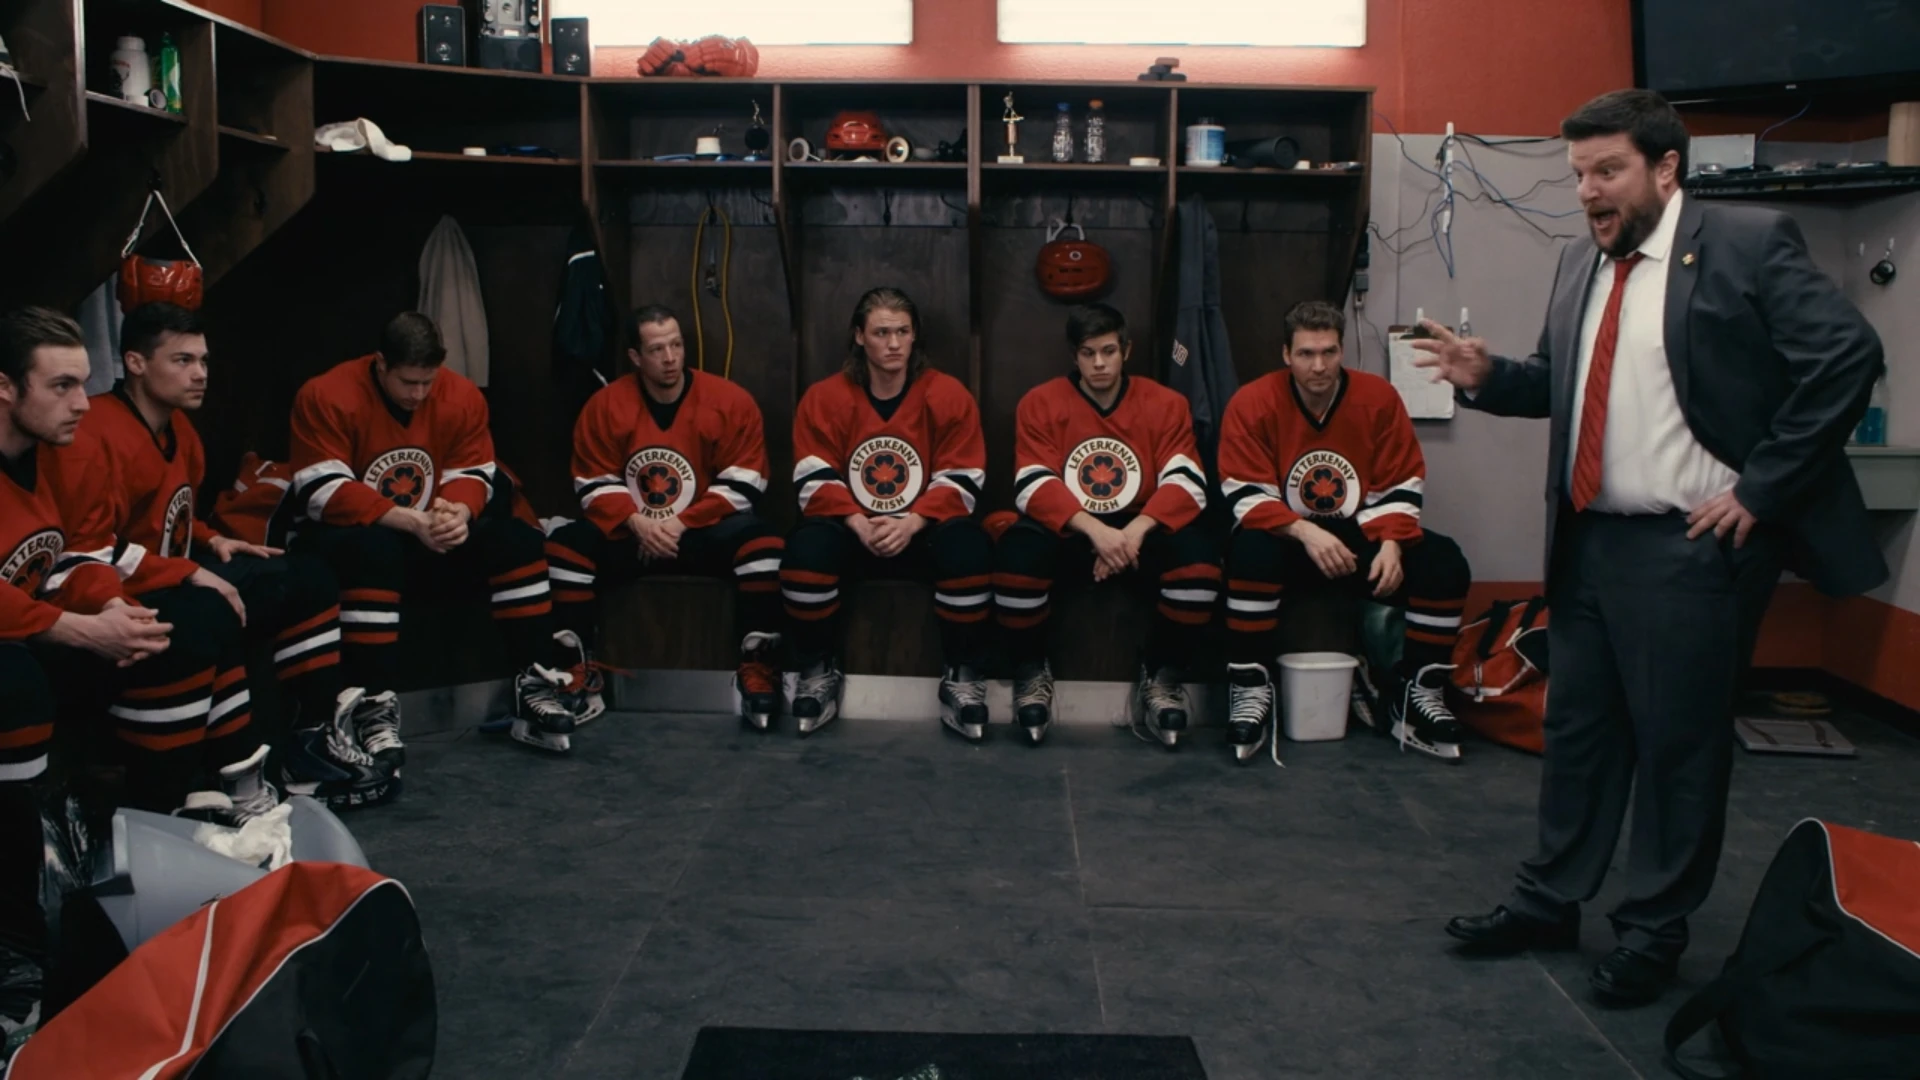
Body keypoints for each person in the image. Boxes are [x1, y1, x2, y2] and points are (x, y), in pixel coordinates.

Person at [1414, 89, 1884, 1007]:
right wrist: (1491, 378)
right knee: (1578, 736)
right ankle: (1549, 900)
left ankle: (1652, 932)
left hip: (1690, 550)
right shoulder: (1578, 262)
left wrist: (1762, 488)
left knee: (1678, 750)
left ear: (1667, 168)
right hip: (1589, 541)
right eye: (1578, 174)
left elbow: (1847, 357)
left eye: (1608, 171)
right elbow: (1567, 384)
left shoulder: (1748, 243)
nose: (1588, 192)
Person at [0, 307, 235, 1042]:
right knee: (15, 682)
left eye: (83, 383)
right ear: (5, 387)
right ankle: (14, 938)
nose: (82, 403)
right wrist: (71, 627)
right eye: (62, 386)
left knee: (171, 634)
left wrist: (113, 611)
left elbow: (75, 553)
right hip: (15, 654)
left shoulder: (55, 455)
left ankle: (156, 839)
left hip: (29, 635)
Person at [82, 302, 397, 812]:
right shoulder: (96, 431)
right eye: (183, 360)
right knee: (212, 612)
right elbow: (92, 548)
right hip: (120, 596)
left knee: (306, 578)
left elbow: (172, 520)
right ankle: (211, 778)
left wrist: (211, 541)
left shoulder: (181, 430)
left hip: (172, 576)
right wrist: (191, 570)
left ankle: (309, 746)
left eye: (203, 360)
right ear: (136, 362)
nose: (200, 373)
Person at [287, 312, 586, 753]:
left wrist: (457, 513)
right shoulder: (326, 394)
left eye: (427, 381)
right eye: (408, 382)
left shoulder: (459, 395)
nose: (419, 394)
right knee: (375, 550)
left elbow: (475, 470)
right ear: (380, 363)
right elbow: (320, 489)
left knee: (516, 541)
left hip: (427, 536)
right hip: (350, 539)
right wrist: (412, 521)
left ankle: (534, 683)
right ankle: (372, 708)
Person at [1218, 300, 1472, 764]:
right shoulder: (1252, 402)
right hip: (1288, 538)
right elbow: (1244, 490)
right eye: (1306, 354)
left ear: (1342, 351)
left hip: (1360, 535)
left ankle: (1417, 692)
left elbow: (1401, 478)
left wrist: (1393, 542)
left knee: (1443, 561)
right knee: (1249, 551)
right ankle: (1250, 687)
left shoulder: (1377, 398)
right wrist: (1305, 532)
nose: (1318, 366)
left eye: (1329, 352)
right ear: (1286, 354)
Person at [992, 303, 1219, 746]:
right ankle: (1029, 670)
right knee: (1016, 556)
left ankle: (1162, 674)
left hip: (1140, 529)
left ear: (1126, 351)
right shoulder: (1040, 403)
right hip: (1073, 529)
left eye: (1109, 351)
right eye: (1088, 352)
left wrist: (1130, 535)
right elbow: (1032, 483)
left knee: (1199, 565)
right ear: (1074, 355)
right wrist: (1097, 533)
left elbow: (1187, 481)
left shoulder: (1165, 404)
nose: (1099, 363)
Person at [546, 306, 783, 729]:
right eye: (657, 349)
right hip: (633, 534)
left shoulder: (729, 401)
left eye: (676, 345)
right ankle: (576, 666)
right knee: (565, 549)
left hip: (700, 533)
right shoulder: (605, 406)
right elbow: (592, 479)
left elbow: (747, 480)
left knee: (764, 547)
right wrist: (637, 523)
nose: (670, 357)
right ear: (635, 357)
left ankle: (758, 664)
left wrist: (678, 524)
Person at [781, 287, 993, 739]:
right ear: (859, 336)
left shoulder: (947, 394)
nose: (893, 343)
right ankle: (816, 669)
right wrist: (857, 521)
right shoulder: (825, 397)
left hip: (920, 532)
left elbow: (964, 473)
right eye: (881, 333)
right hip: (853, 531)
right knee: (806, 547)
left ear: (915, 336)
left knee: (968, 546)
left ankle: (963, 675)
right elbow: (812, 474)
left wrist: (912, 522)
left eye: (902, 332)